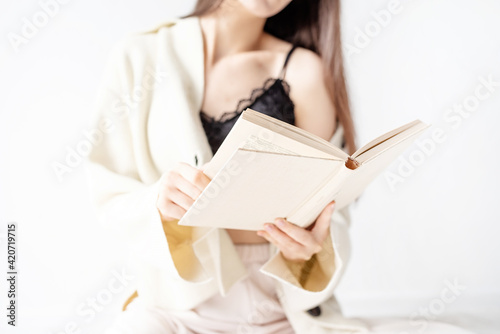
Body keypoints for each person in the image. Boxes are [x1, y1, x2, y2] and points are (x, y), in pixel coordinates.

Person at [86, 0, 473, 333]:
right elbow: (108, 193)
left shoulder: (303, 71)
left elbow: (331, 208)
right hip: (173, 308)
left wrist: (308, 252)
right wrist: (159, 201)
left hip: (278, 310)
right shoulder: (139, 59)